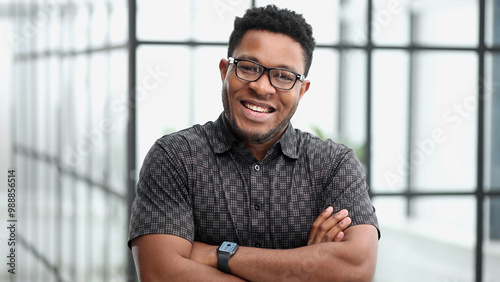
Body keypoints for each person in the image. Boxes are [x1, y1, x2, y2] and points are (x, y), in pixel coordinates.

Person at [128, 4, 380, 281]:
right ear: (225, 71)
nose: (261, 87)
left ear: (302, 90)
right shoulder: (175, 157)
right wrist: (309, 270)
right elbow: (160, 274)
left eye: (284, 76)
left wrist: (218, 254)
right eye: (248, 68)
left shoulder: (335, 164)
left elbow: (356, 269)